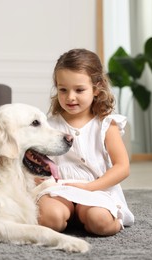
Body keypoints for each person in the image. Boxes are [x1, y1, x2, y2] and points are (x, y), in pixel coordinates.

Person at [36, 48, 134, 236]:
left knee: (100, 223)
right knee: (50, 220)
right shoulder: (49, 125)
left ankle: (102, 217)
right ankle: (70, 217)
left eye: (79, 90)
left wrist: (89, 188)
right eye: (63, 90)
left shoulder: (105, 124)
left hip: (95, 189)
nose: (70, 97)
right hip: (59, 188)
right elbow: (36, 162)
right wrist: (37, 177)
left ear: (96, 89)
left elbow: (123, 167)